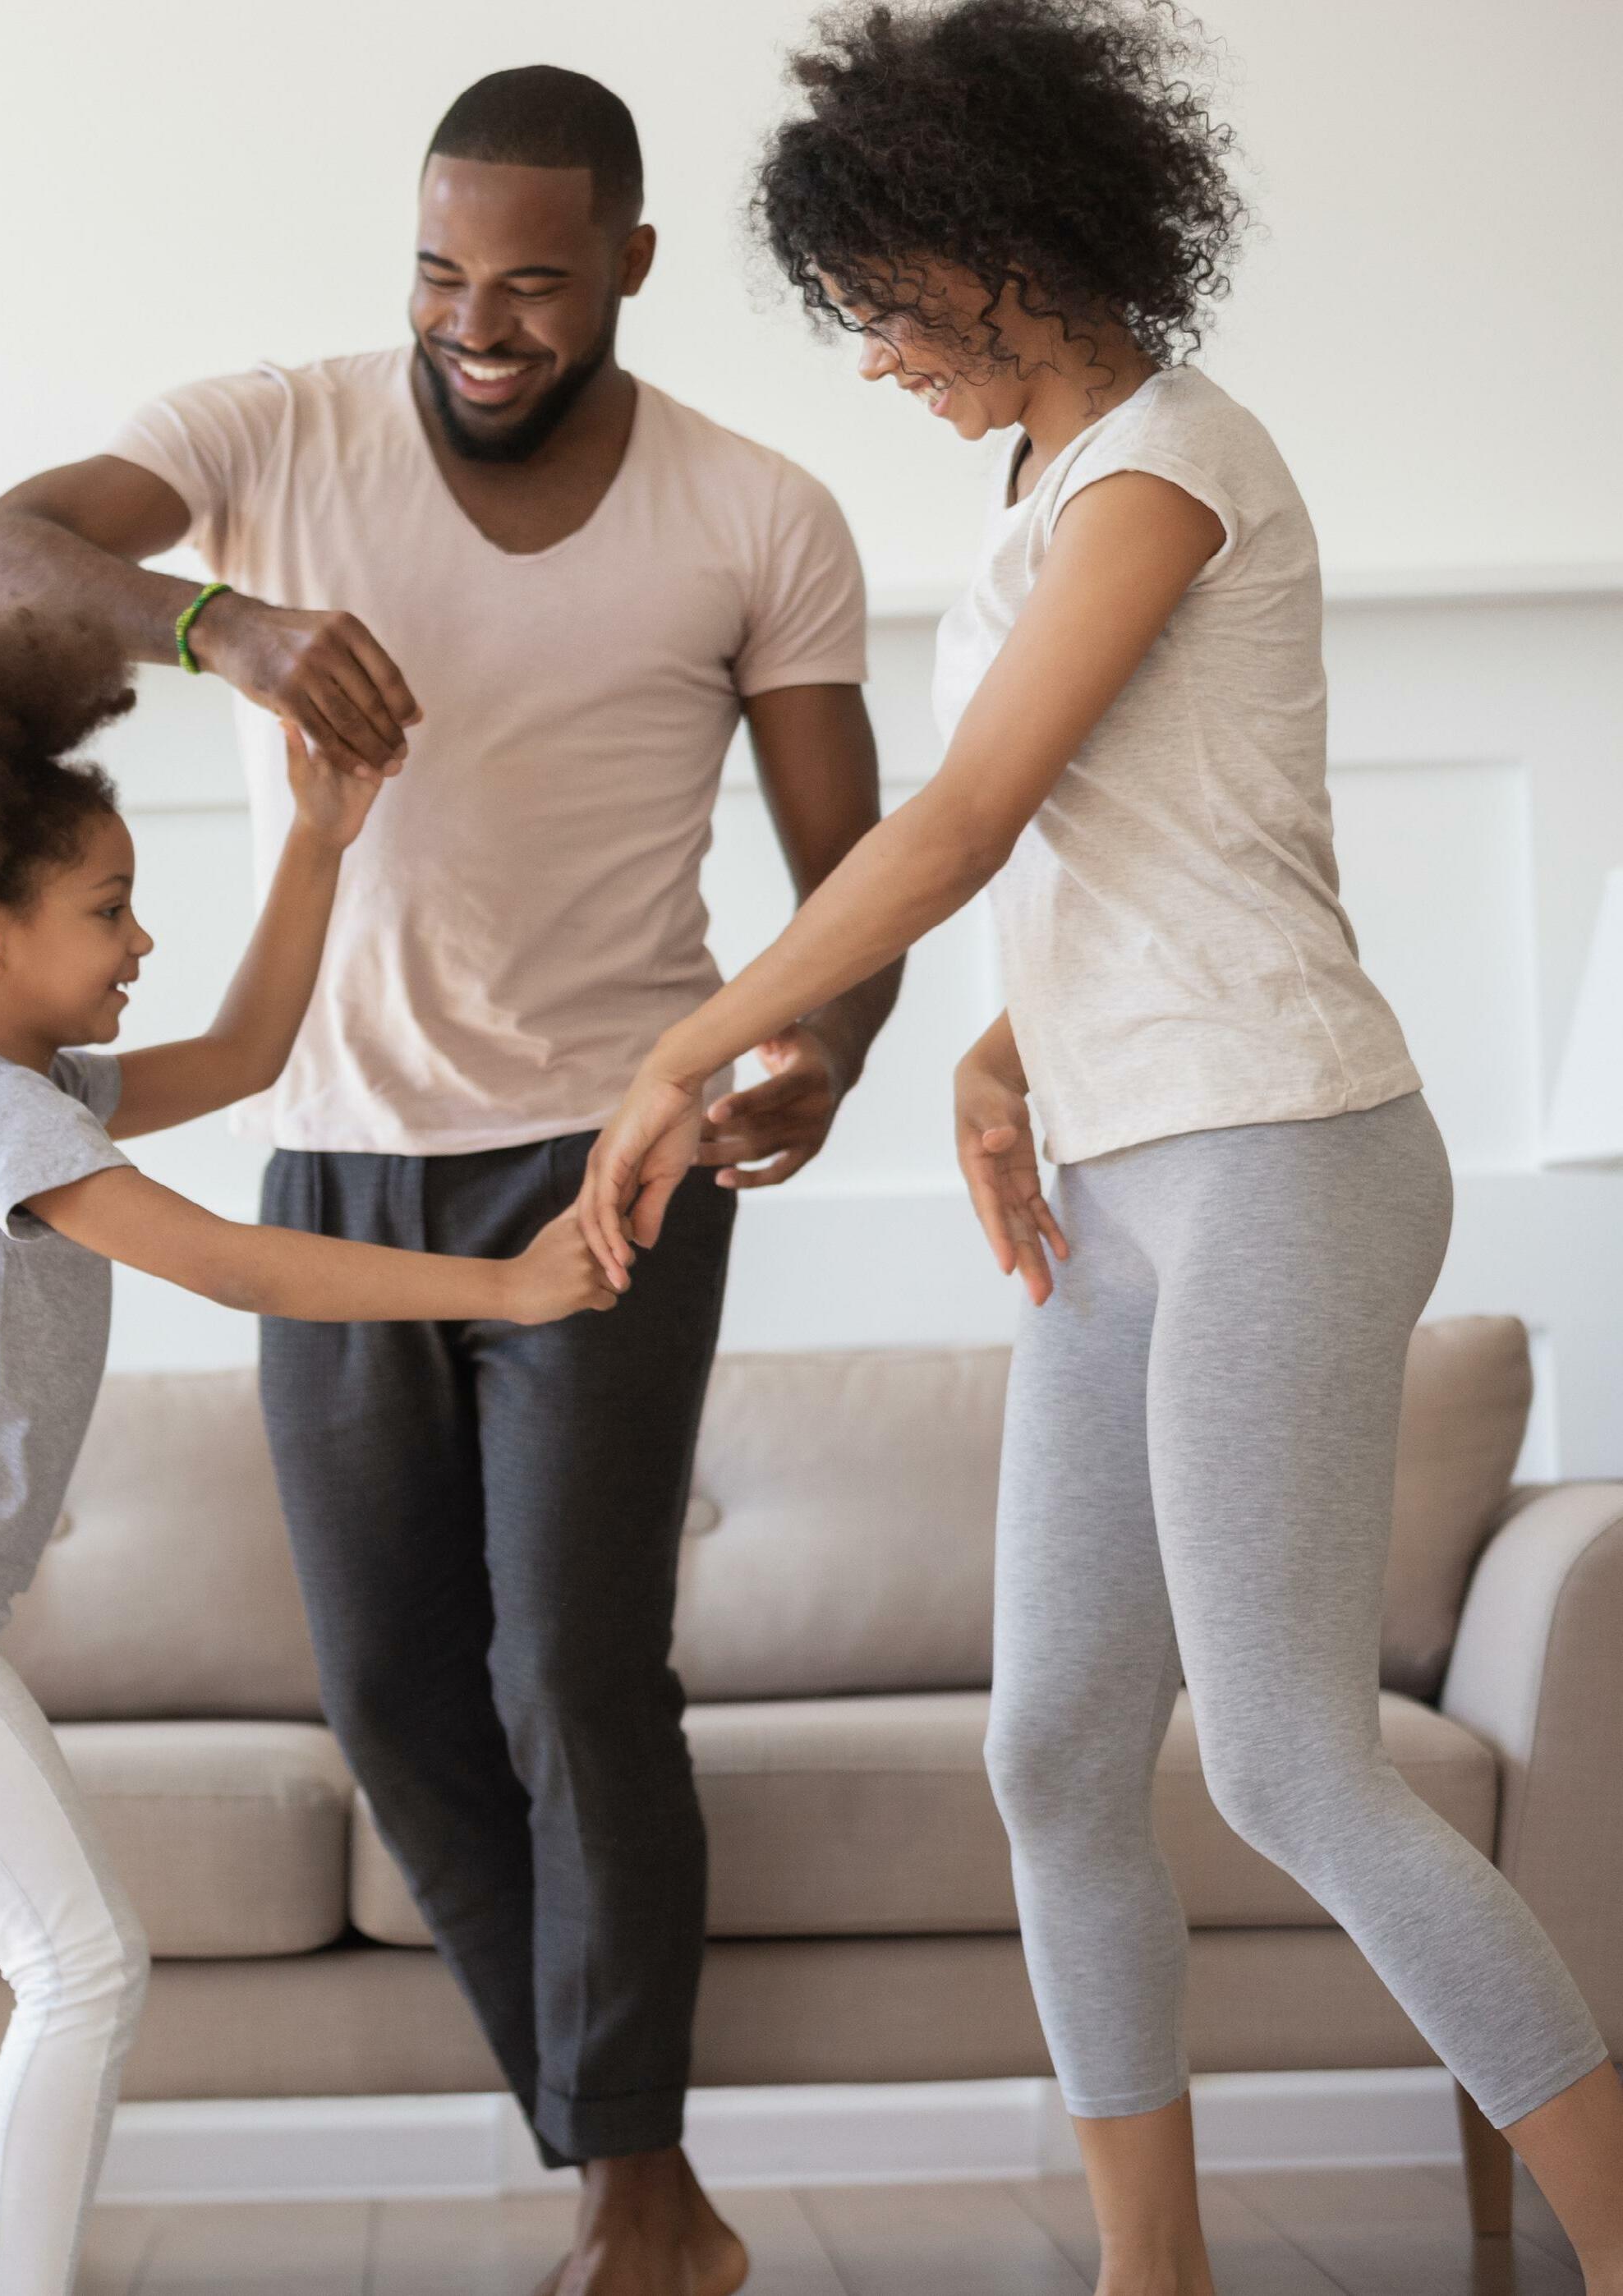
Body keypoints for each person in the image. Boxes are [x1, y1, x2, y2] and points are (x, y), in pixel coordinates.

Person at [576, 5, 1623, 2291]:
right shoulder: (1041, 481)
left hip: (1279, 1148)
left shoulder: (1167, 468)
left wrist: (682, 1051)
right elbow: (1125, 839)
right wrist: (995, 1048)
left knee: (1286, 1761)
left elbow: (960, 817)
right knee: (1053, 1749)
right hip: (1122, 1169)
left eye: (879, 303)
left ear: (997, 246)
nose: (869, 356)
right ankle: (1156, 2277)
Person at [0, 64, 894, 2296]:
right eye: (440, 274)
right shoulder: (272, 437)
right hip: (336, 1161)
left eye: (531, 284)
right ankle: (634, 2181)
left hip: (612, 1150)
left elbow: (851, 875)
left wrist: (821, 1046)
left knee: (574, 1669)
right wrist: (225, 626)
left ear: (629, 264)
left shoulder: (758, 514)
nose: (475, 323)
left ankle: (631, 2204)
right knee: (387, 1695)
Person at [0, 603, 614, 2296]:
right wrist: (507, 1285)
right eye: (110, 908)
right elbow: (228, 1262)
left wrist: (319, 837)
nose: (142, 937)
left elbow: (250, 1054)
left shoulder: (21, 1080)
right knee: (83, 1969)